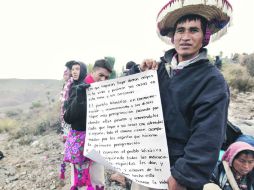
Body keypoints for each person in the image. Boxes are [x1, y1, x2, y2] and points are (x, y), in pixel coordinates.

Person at [129, 0, 232, 189]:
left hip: (177, 171)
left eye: (193, 30)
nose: (185, 37)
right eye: (180, 30)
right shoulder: (159, 70)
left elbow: (208, 136)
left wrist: (183, 176)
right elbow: (136, 105)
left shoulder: (212, 81)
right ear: (173, 36)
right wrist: (138, 75)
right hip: (147, 164)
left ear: (204, 37)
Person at [62, 58, 113, 190]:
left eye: (106, 77)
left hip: (96, 143)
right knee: (81, 182)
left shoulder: (105, 89)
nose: (103, 80)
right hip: (80, 146)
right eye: (100, 75)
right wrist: (80, 99)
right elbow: (68, 117)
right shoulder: (78, 87)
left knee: (97, 180)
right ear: (92, 72)